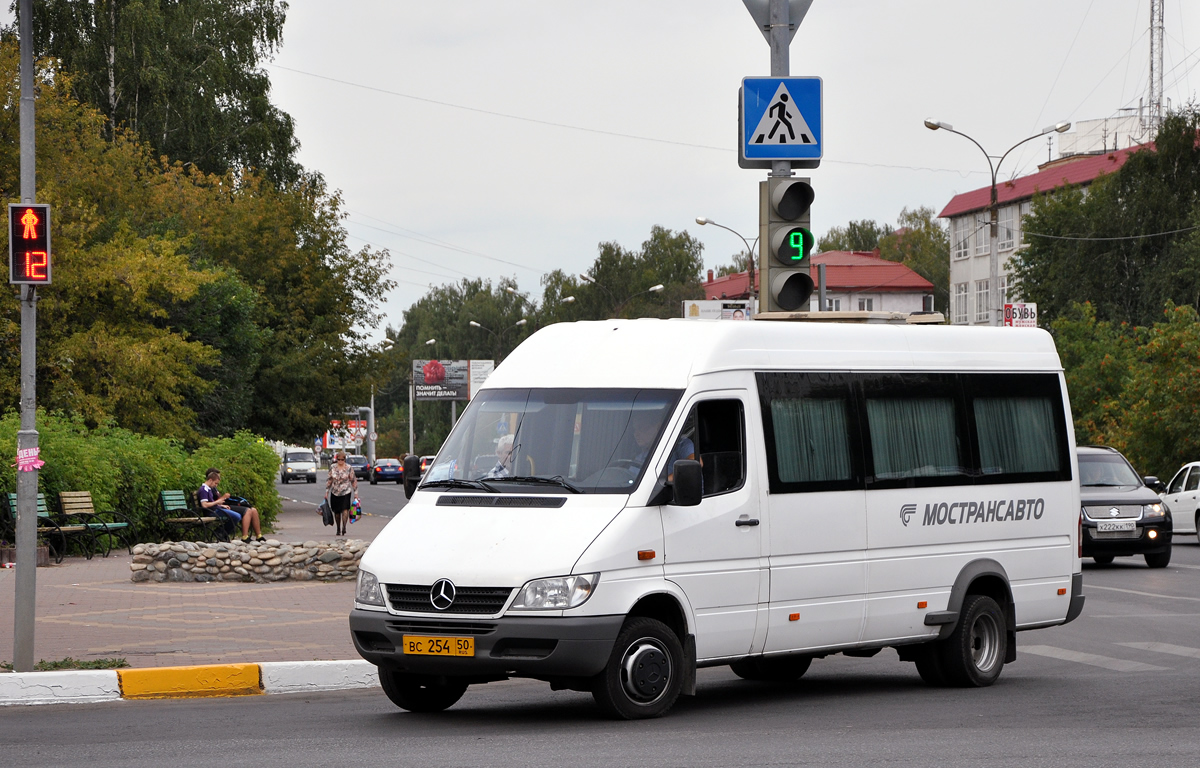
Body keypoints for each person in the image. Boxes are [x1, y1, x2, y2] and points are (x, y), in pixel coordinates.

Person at [197, 468, 264, 543]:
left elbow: (214, 502)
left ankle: (222, 533)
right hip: (212, 511)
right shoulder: (204, 490)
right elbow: (205, 505)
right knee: (238, 516)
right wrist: (219, 501)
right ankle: (221, 532)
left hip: (216, 509)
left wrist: (221, 505)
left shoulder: (209, 489)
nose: (216, 485)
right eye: (216, 483)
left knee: (242, 514)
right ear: (210, 480)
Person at [325, 451, 358, 536]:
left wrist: (356, 493)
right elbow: (329, 480)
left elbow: (353, 480)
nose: (340, 461)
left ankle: (344, 527)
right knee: (336, 511)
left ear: (344, 460)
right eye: (338, 460)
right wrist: (327, 492)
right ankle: (338, 528)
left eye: (342, 460)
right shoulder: (333, 467)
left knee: (345, 509)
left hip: (346, 491)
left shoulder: (348, 468)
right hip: (335, 491)